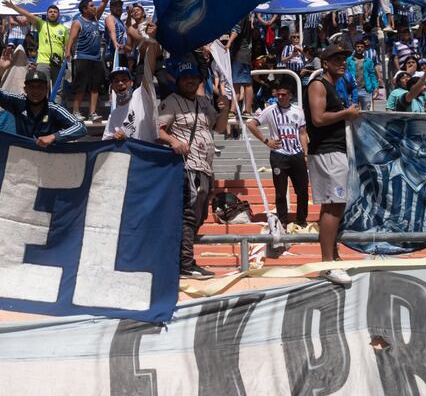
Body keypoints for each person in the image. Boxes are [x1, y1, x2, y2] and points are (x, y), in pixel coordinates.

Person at [158, 64, 230, 280]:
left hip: (205, 166)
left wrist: (225, 109)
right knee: (189, 215)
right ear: (178, 80)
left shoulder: (204, 101)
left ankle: (182, 260)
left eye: (194, 77)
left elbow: (218, 127)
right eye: (185, 77)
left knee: (199, 216)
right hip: (186, 165)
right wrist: (173, 141)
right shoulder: (171, 101)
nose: (190, 81)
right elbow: (156, 129)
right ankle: (186, 264)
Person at [304, 45, 360, 274]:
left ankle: (332, 257)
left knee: (334, 206)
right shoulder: (318, 84)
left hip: (333, 151)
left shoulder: (334, 86)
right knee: (334, 207)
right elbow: (318, 118)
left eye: (344, 58)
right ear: (325, 63)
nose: (342, 62)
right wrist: (346, 114)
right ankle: (328, 262)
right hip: (327, 152)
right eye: (336, 59)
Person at [245, 76, 309, 233]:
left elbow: (302, 132)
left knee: (302, 190)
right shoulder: (270, 110)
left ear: (290, 95)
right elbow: (251, 124)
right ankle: (283, 222)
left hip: (296, 154)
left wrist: (305, 153)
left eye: (283, 94)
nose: (280, 97)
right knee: (280, 192)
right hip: (279, 155)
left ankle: (302, 220)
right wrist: (266, 141)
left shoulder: (298, 111)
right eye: (278, 94)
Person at [0, 50, 85, 146]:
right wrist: (1, 69)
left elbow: (80, 127)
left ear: (46, 89)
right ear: (25, 89)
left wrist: (54, 137)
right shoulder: (18, 102)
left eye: (40, 87)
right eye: (31, 87)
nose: (36, 91)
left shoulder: (54, 109)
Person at [104, 37, 159, 141]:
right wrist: (115, 138)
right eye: (116, 81)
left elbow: (148, 70)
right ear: (113, 87)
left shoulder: (141, 95)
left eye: (124, 80)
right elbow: (106, 143)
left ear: (131, 83)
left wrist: (151, 39)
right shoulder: (113, 115)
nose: (120, 83)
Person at [66, 0, 110, 121]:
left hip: (96, 58)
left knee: (95, 87)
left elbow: (105, 1)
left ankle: (92, 113)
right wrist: (68, 51)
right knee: (81, 86)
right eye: (91, 6)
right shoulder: (78, 22)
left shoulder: (96, 19)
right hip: (82, 57)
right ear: (85, 9)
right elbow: (72, 38)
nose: (94, 7)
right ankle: (75, 112)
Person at [4, 0, 67, 82]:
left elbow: (67, 46)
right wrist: (13, 7)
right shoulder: (41, 24)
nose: (52, 13)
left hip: (58, 63)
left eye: (55, 12)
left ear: (58, 15)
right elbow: (27, 14)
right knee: (42, 89)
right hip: (43, 62)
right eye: (50, 12)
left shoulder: (64, 28)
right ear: (47, 15)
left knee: (58, 91)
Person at [345, 40, 379, 111]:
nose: (359, 48)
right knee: (353, 112)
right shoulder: (349, 60)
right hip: (352, 90)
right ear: (354, 48)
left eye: (362, 47)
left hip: (366, 90)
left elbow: (372, 75)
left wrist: (375, 87)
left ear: (364, 49)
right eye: (358, 46)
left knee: (366, 113)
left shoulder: (369, 61)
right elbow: (345, 73)